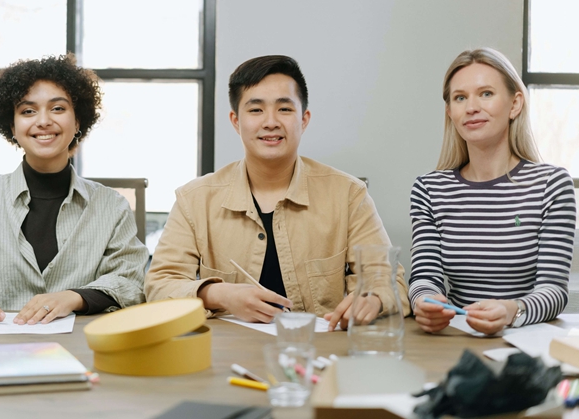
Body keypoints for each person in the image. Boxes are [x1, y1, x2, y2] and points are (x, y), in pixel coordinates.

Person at [144, 55, 410, 330]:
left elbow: (392, 283)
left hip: (316, 354)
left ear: (304, 119)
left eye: (284, 109)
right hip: (225, 355)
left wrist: (373, 299)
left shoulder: (348, 194)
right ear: (235, 121)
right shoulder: (195, 199)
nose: (270, 122)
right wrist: (219, 294)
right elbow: (159, 286)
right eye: (256, 110)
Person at [0, 54, 148, 327]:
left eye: (58, 109)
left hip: (82, 350)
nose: (43, 121)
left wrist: (74, 297)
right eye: (28, 111)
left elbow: (131, 282)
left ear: (78, 121)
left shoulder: (111, 206)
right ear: (12, 126)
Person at [409, 48, 576, 335]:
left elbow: (554, 290)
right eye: (460, 98)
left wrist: (512, 311)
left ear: (515, 104)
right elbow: (425, 276)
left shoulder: (552, 185)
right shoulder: (428, 189)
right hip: (456, 340)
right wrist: (424, 302)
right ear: (450, 112)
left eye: (486, 93)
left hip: (525, 341)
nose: (471, 107)